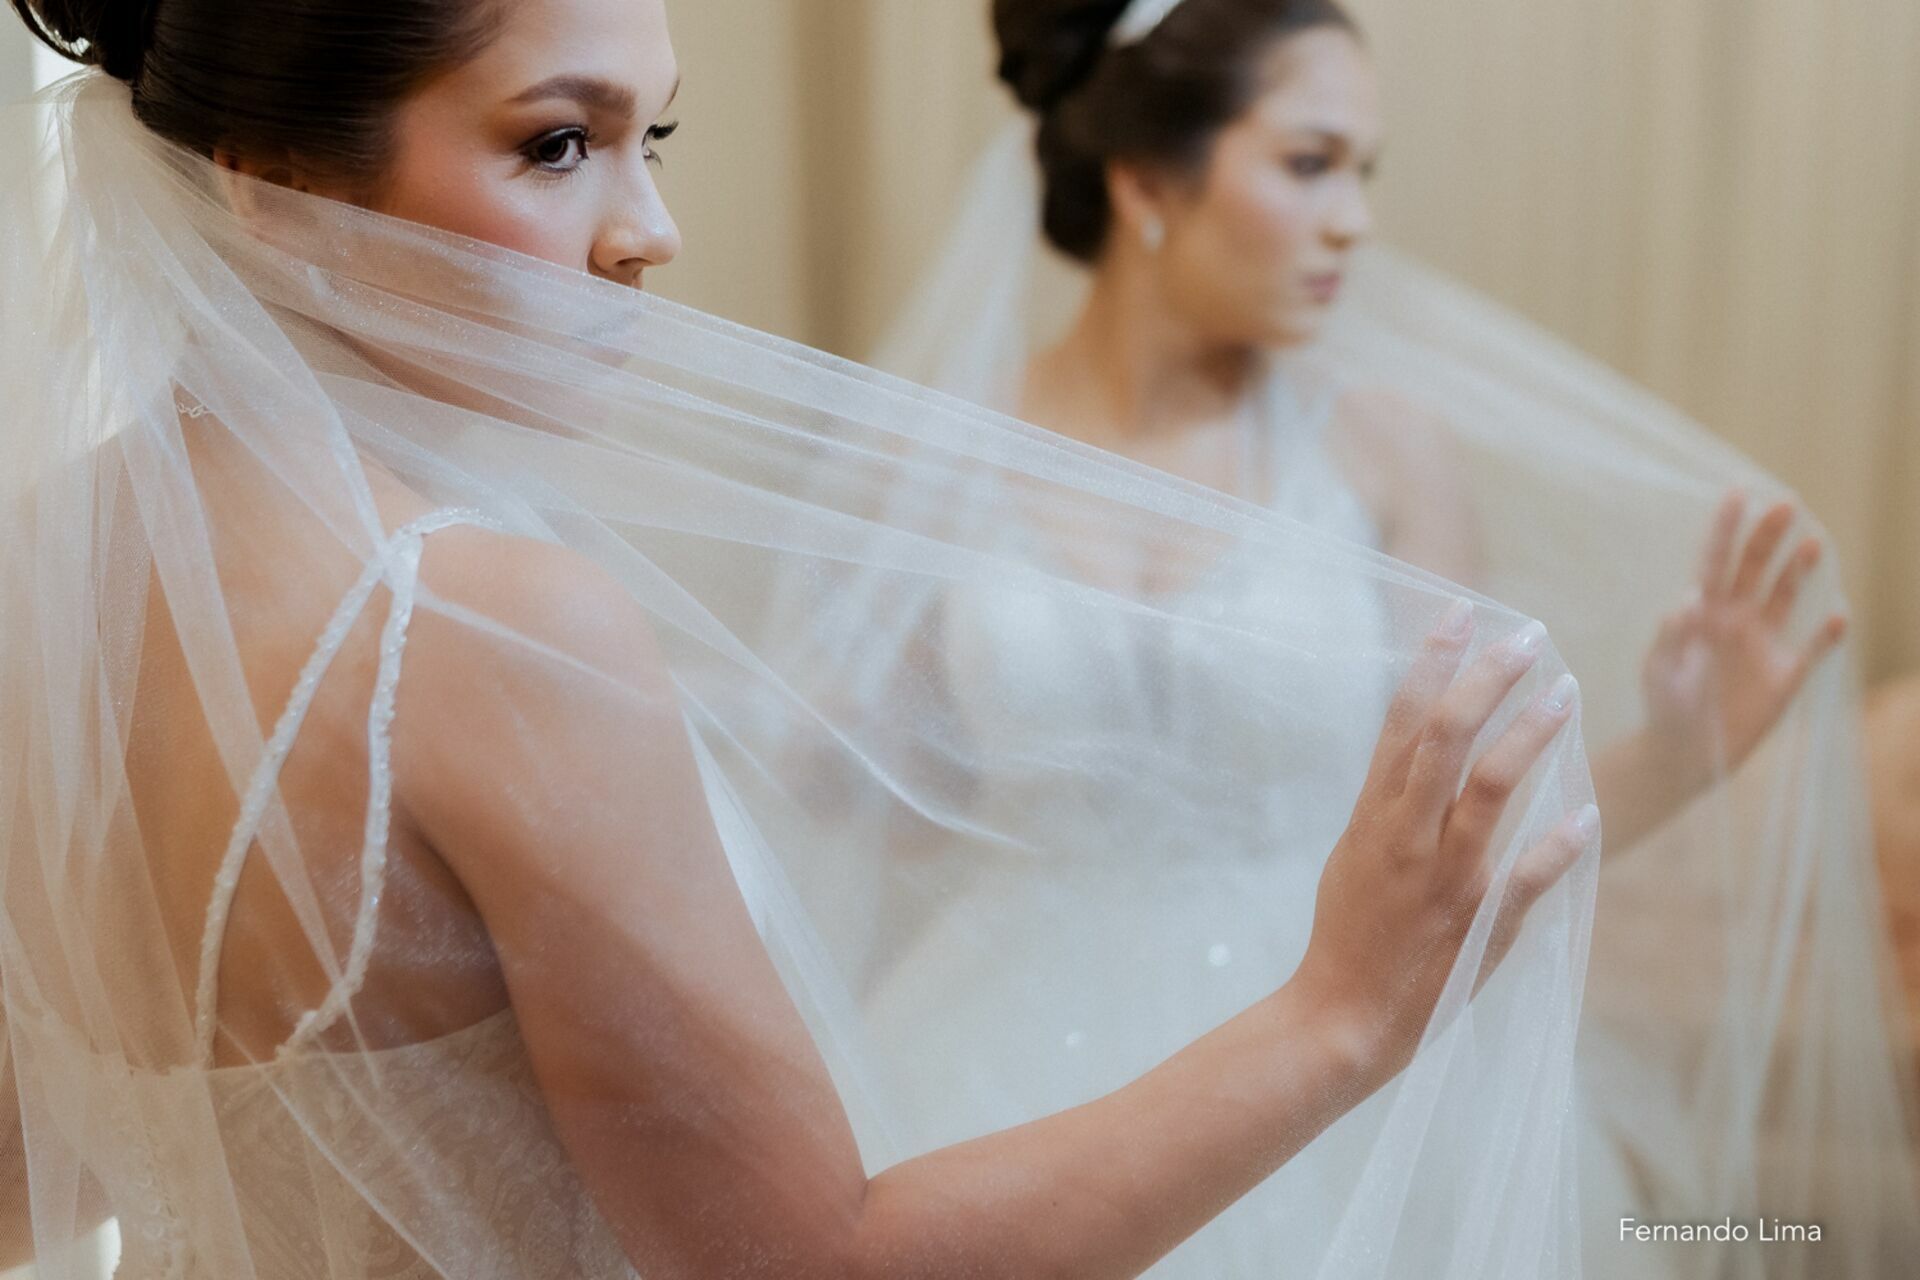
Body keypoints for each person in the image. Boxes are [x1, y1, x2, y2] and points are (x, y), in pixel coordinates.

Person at [0, 0, 1600, 1276]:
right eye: (559, 144)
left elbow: (37, 1178)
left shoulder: (43, 564)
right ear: (274, 189)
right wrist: (1343, 1012)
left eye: (657, 138)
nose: (650, 231)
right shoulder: (488, 623)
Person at [867, 0, 1920, 1273]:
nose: (1355, 218)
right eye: (1310, 163)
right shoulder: (940, 455)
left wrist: (1682, 750)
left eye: (1361, 173)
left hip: (1336, 1034)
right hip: (987, 1038)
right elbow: (898, 806)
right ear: (1147, 178)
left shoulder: (1380, 451)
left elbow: (1479, 830)